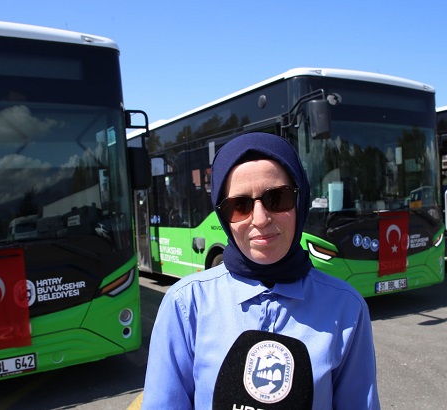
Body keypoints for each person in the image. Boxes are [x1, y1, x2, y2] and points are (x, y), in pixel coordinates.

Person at [142, 132, 380, 409]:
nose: (260, 219)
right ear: (223, 215)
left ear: (300, 200)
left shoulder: (346, 308)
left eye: (277, 198)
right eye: (239, 205)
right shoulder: (186, 305)